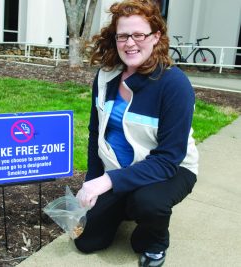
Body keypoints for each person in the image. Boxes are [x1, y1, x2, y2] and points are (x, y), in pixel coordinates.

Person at [75, 0, 198, 266]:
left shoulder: (174, 85)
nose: (130, 43)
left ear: (156, 37)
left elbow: (168, 160)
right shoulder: (106, 75)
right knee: (87, 242)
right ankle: (126, 201)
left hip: (172, 169)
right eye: (123, 36)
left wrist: (108, 182)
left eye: (138, 34)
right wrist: (93, 181)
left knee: (148, 204)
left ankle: (154, 242)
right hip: (120, 167)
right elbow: (97, 132)